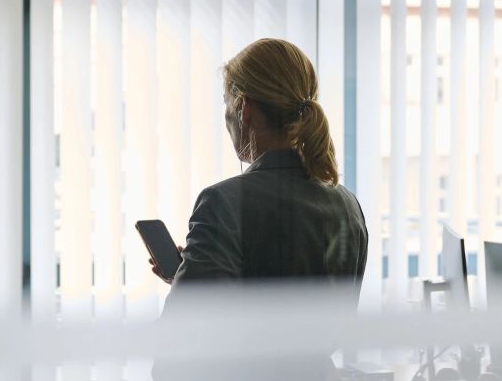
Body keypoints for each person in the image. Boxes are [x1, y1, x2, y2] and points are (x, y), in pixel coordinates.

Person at [150, 38, 369, 380]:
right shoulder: (347, 205)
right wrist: (188, 274)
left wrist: (187, 287)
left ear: (243, 108)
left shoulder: (223, 203)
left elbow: (177, 348)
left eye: (226, 103)